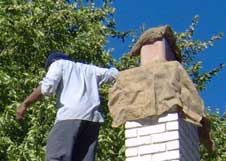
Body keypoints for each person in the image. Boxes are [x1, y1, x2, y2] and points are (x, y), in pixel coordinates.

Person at [16, 52, 119, 161]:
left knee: (56, 157)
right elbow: (114, 74)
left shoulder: (58, 64)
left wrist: (25, 104)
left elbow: (47, 87)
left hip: (70, 115)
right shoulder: (89, 69)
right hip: (93, 119)